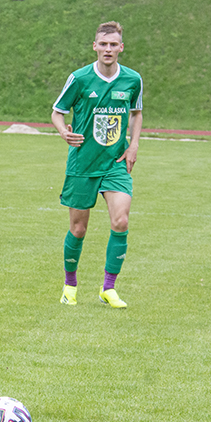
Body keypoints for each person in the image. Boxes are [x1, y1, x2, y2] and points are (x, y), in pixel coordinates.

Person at [51, 21, 143, 309]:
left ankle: (109, 288)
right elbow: (57, 112)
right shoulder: (79, 78)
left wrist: (133, 144)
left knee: (121, 221)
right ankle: (70, 285)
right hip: (83, 163)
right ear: (95, 46)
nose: (108, 49)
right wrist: (63, 132)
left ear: (121, 47)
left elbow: (136, 112)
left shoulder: (132, 79)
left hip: (115, 163)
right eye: (103, 44)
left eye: (113, 44)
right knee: (78, 229)